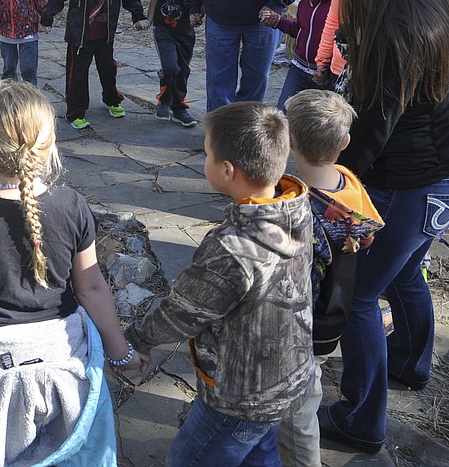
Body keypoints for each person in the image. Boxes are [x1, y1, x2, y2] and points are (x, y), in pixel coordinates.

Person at [0, 80, 147, 466]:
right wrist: (120, 353)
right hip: (61, 357)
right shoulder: (72, 205)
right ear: (50, 147)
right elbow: (91, 287)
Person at [317, 0, 449, 455]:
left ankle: (362, 420)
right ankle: (409, 362)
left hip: (409, 186)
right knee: (405, 275)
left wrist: (329, 176)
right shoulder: (436, 1)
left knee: (359, 295)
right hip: (447, 177)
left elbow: (374, 130)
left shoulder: (390, 32)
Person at [126, 101, 313, 467]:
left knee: (189, 460)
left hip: (239, 395)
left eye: (207, 153)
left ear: (227, 170)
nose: (205, 159)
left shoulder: (231, 248)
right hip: (285, 377)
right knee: (259, 455)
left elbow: (183, 312)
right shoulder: (296, 209)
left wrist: (137, 339)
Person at [279, 90, 383, 467]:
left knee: (299, 412)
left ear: (289, 140)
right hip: (335, 314)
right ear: (345, 143)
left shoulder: (300, 212)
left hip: (304, 330)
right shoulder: (348, 182)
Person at [41, 0, 149, 130]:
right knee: (77, 74)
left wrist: (138, 16)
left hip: (105, 34)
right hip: (80, 36)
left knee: (107, 69)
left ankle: (111, 99)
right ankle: (75, 112)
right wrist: (47, 18)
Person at [259, 0, 335, 109]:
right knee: (284, 110)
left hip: (322, 74)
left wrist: (326, 68)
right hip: (298, 68)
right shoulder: (305, 4)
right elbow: (299, 30)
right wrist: (278, 22)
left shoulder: (335, 8)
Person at [146, 0, 198, 127]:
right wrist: (148, 20)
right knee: (170, 68)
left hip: (185, 30)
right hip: (163, 28)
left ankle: (175, 104)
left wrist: (198, 14)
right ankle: (172, 104)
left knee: (182, 70)